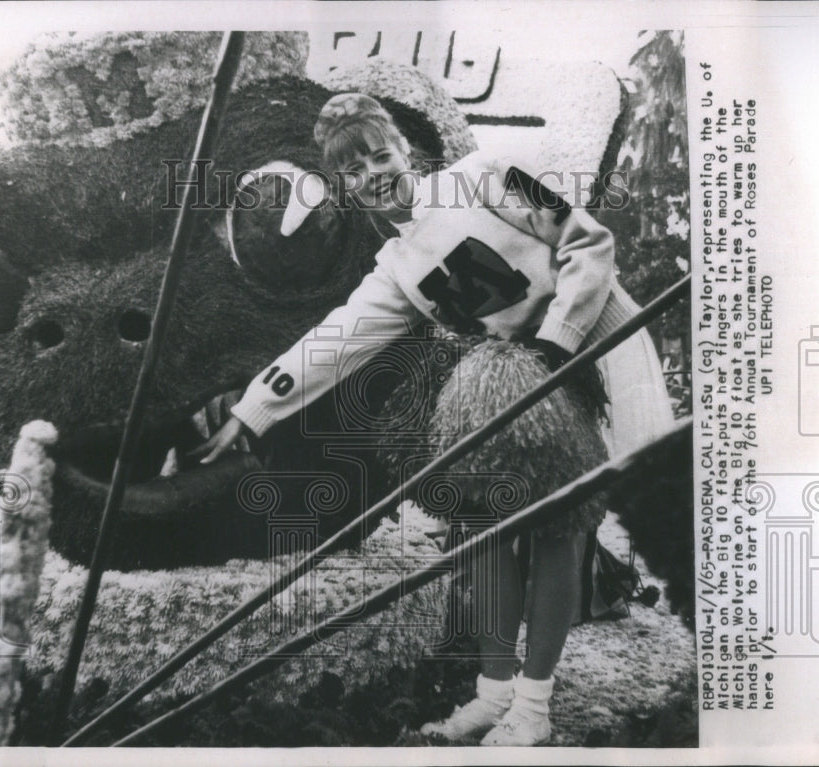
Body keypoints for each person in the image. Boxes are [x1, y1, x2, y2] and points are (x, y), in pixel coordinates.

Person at [191, 93, 669, 745]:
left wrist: (555, 344)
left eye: (380, 154)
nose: (375, 175)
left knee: (562, 523)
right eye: (355, 171)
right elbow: (333, 342)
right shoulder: (395, 268)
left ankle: (534, 707)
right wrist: (251, 412)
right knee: (483, 523)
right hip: (505, 377)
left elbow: (586, 241)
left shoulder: (488, 172)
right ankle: (494, 693)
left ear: (404, 150)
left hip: (588, 349)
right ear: (346, 188)